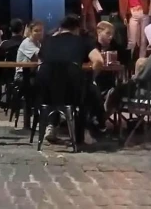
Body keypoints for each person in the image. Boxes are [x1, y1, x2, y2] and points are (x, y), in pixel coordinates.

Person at [36, 14, 104, 143]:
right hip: (72, 93)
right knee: (89, 90)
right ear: (77, 29)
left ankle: (52, 125)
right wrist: (92, 78)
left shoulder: (47, 41)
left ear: (60, 28)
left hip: (45, 93)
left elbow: (40, 64)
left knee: (59, 86)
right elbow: (99, 61)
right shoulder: (82, 41)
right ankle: (87, 131)